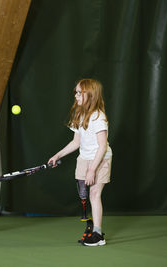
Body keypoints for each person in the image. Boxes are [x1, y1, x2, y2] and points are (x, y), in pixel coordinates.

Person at [48, 78, 112, 246]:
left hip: (100, 158)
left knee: (94, 194)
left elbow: (102, 146)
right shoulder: (79, 114)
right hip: (83, 158)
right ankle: (90, 229)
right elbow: (76, 142)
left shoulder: (99, 116)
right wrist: (58, 155)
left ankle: (98, 234)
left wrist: (92, 169)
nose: (75, 95)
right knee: (85, 196)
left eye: (79, 92)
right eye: (75, 92)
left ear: (89, 95)